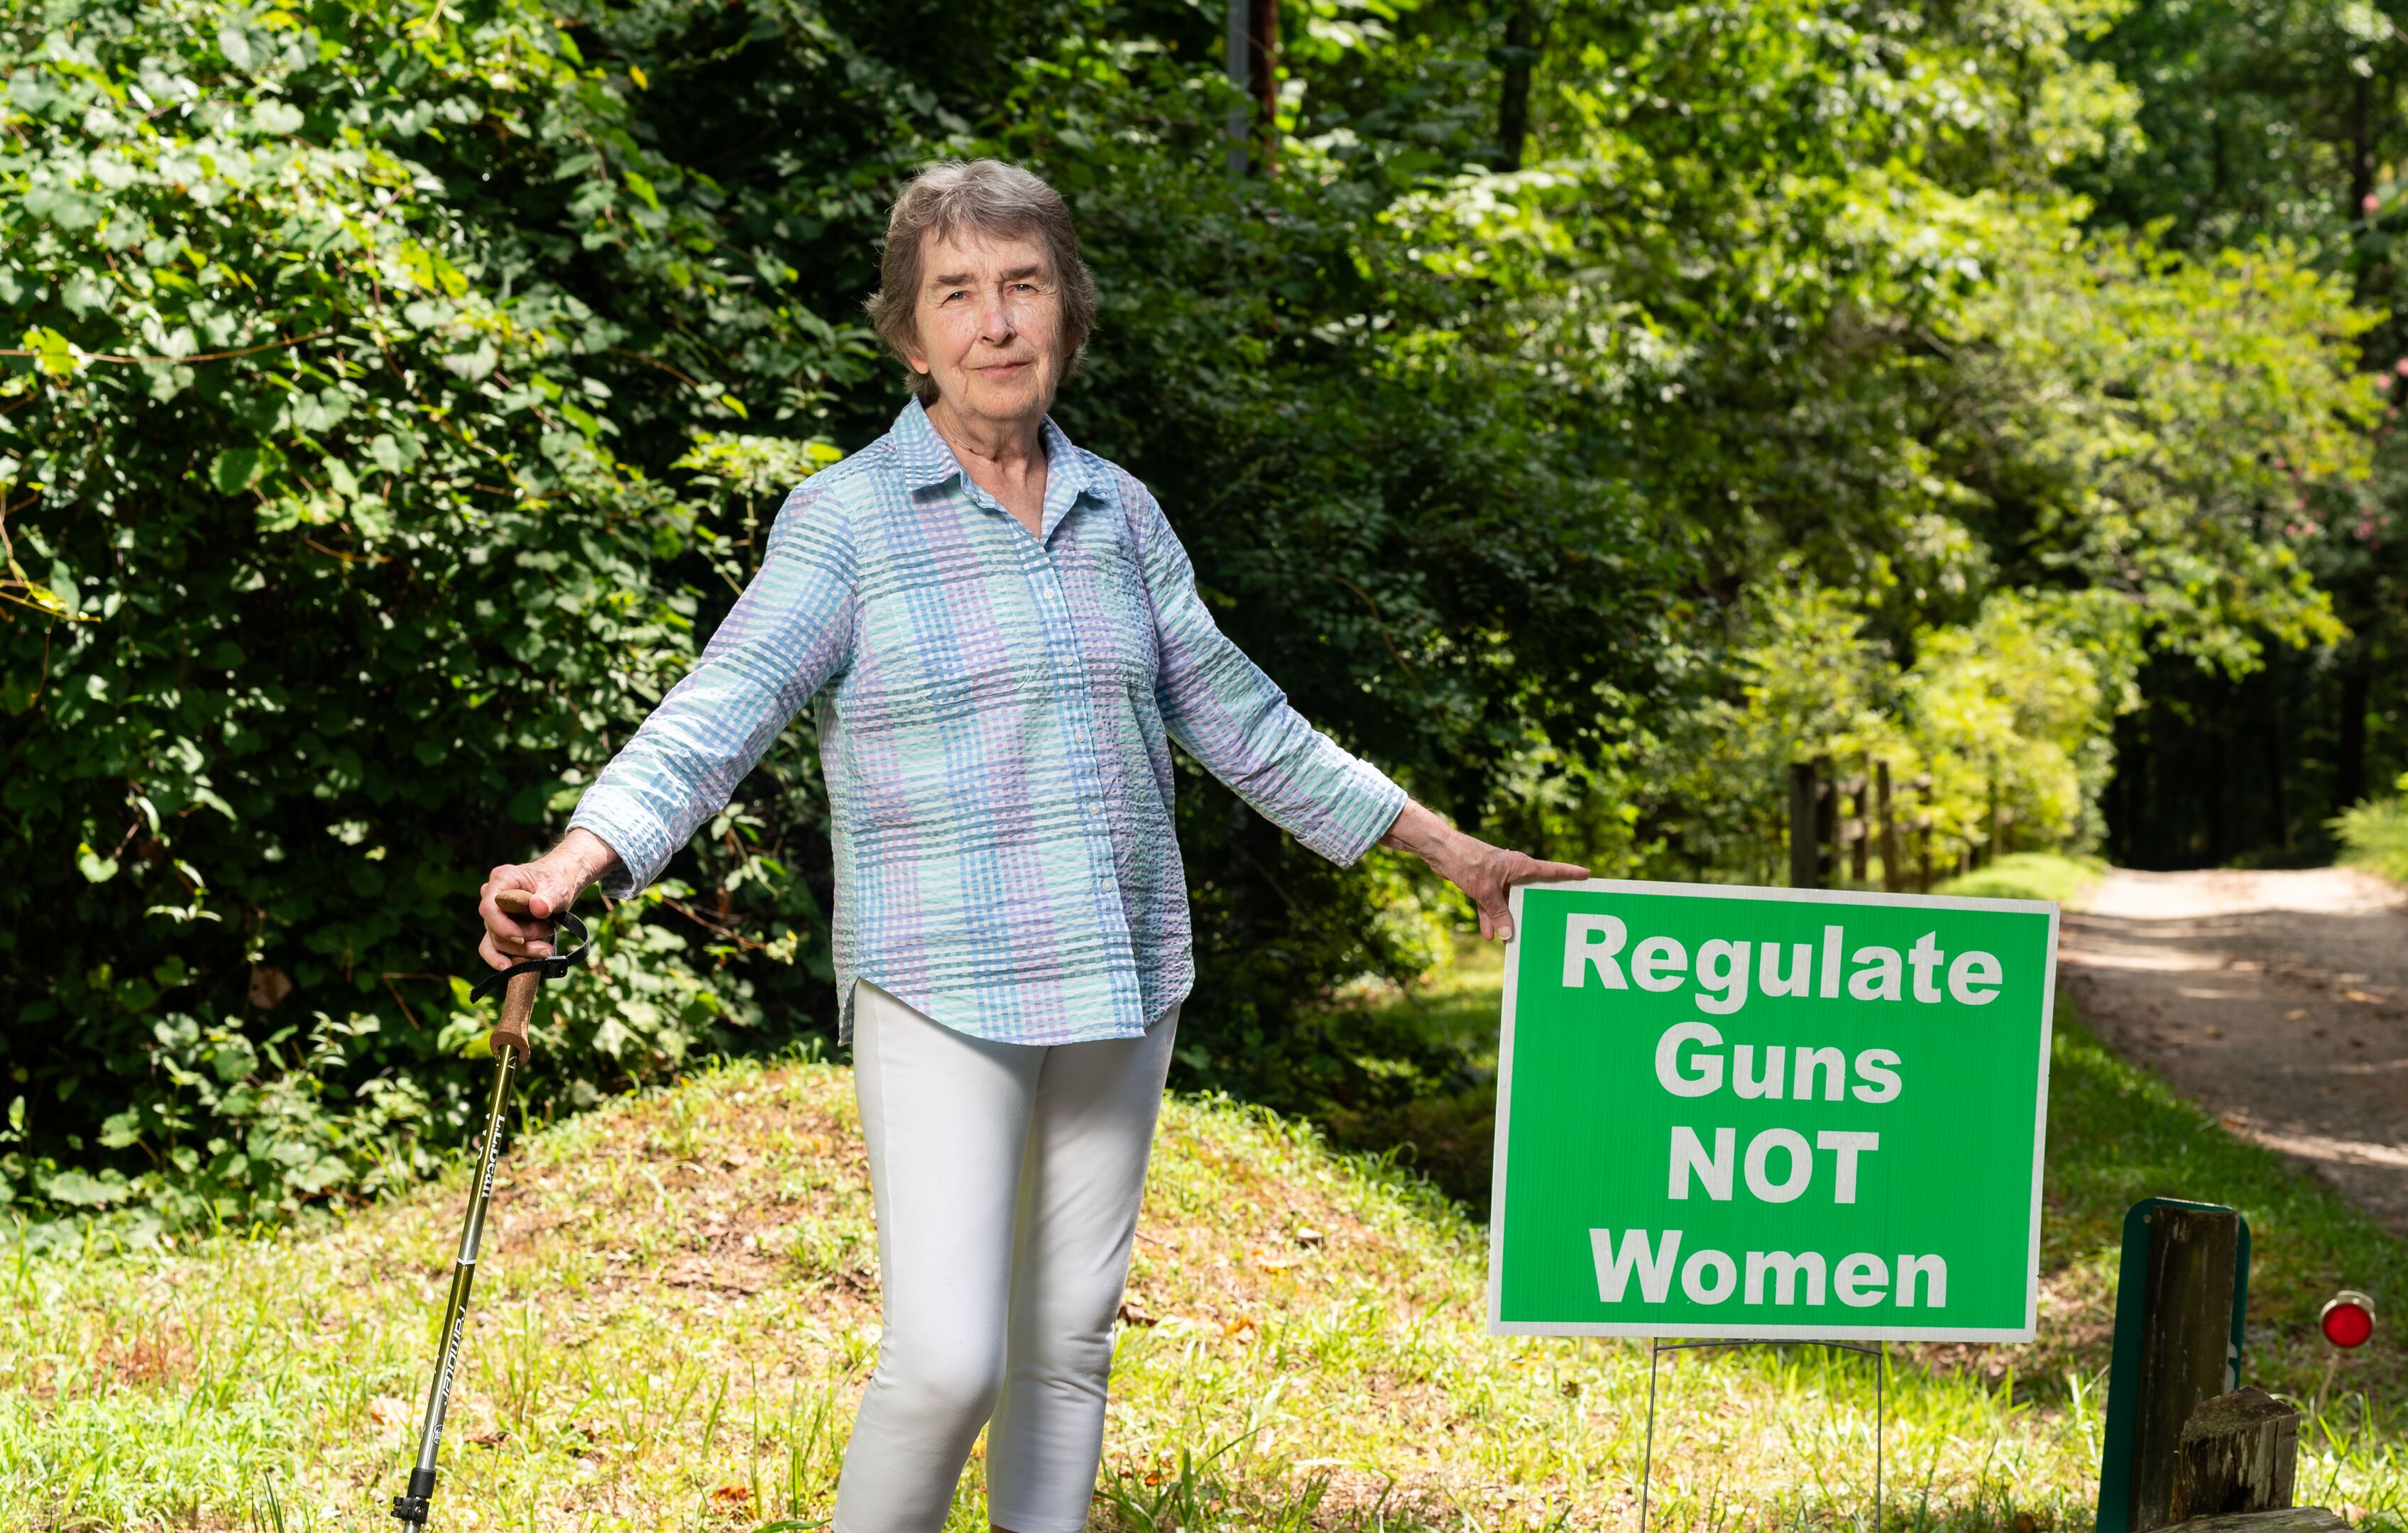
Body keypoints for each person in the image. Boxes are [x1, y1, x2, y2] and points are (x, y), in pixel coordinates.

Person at [475, 158, 1584, 1533]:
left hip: (1120, 975)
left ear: (1067, 310)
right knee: (948, 1359)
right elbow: (725, 711)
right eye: (958, 294)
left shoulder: (1121, 515)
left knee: (1064, 1350)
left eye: (1024, 284)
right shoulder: (850, 522)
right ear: (910, 333)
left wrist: (1456, 853)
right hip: (939, 978)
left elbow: (1247, 724)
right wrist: (580, 859)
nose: (996, 323)